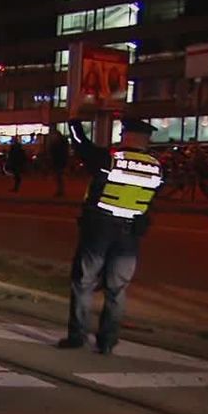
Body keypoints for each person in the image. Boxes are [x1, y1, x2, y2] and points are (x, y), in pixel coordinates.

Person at [57, 118, 161, 354]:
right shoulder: (157, 167)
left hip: (100, 228)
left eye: (124, 134)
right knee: (117, 289)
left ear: (128, 136)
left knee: (84, 282)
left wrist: (73, 122)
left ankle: (77, 336)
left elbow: (81, 146)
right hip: (130, 233)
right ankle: (107, 341)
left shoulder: (111, 160)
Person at [47, 127, 69, 197]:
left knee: (59, 176)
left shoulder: (58, 143)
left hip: (59, 161)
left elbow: (56, 152)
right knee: (58, 176)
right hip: (59, 160)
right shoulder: (61, 142)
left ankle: (60, 190)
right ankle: (60, 190)